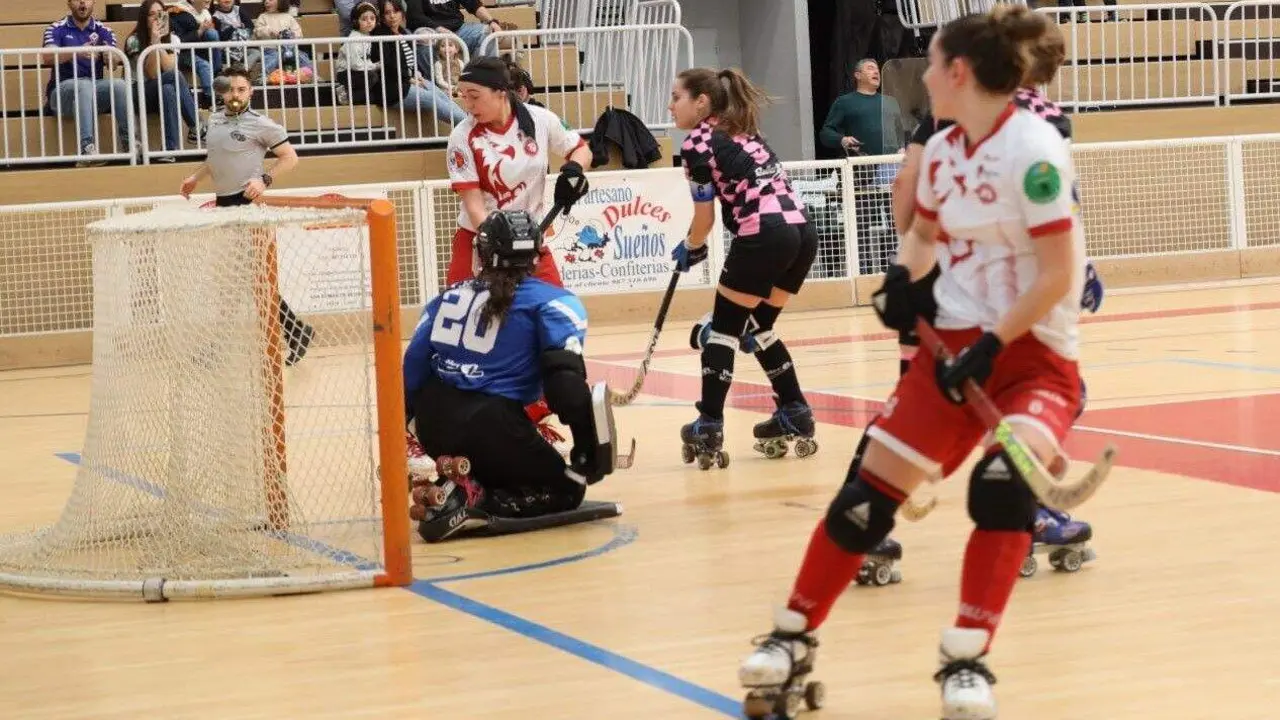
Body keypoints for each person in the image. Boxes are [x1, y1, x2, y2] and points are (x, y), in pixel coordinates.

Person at [737, 8, 1092, 719]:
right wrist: (905, 279)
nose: (922, 77)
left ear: (958, 72)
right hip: (951, 349)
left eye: (931, 64)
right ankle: (792, 634)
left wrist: (992, 345)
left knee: (1000, 488)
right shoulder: (944, 149)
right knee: (864, 500)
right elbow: (925, 232)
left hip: (1033, 358)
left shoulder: (1035, 151)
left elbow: (1059, 273)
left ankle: (967, 660)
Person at [853, 23, 1103, 586]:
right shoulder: (1035, 118)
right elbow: (1059, 211)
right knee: (1034, 393)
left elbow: (905, 191)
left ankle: (863, 521)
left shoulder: (947, 111)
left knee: (910, 403)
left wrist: (913, 257)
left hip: (932, 279)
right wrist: (1082, 270)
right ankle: (1027, 508)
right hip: (995, 292)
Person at [402, 210, 621, 542]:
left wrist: (417, 430)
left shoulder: (444, 299)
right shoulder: (555, 303)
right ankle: (477, 499)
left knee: (495, 452)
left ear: (484, 253)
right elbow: (565, 388)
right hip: (493, 425)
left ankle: (467, 482)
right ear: (536, 254)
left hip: (433, 423)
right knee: (568, 489)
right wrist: (587, 451)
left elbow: (411, 372)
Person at [665, 67, 819, 469]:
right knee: (757, 327)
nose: (670, 106)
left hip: (765, 234)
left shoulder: (697, 143)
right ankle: (794, 409)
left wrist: (691, 246)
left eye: (676, 97)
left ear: (701, 102)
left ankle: (708, 424)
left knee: (722, 331)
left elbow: (704, 220)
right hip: (802, 233)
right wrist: (697, 245)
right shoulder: (745, 131)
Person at [178, 66, 314, 366]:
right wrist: (195, 178)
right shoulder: (215, 120)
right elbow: (216, 159)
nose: (235, 94)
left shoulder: (261, 124)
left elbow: (290, 158)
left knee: (241, 280)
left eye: (241, 89)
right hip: (223, 206)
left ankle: (219, 348)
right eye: (230, 89)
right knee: (245, 280)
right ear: (222, 92)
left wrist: (264, 180)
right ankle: (296, 331)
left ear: (251, 92)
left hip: (247, 206)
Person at [42, 0, 132, 167]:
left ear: (93, 2)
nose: (82, 2)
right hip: (60, 95)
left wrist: (109, 56)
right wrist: (77, 52)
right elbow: (47, 57)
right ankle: (87, 149)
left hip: (92, 94)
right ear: (69, 3)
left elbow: (113, 64)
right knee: (84, 84)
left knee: (119, 85)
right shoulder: (56, 28)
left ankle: (130, 143)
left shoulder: (104, 30)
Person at [124, 0, 203, 161]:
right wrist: (154, 42)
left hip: (160, 92)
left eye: (160, 14)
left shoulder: (173, 39)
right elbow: (152, 74)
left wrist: (158, 43)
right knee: (173, 77)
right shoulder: (134, 40)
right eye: (151, 15)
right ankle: (197, 126)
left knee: (168, 89)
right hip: (137, 93)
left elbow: (169, 68)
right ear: (144, 18)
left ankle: (169, 150)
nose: (156, 19)